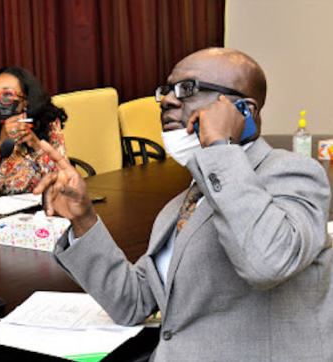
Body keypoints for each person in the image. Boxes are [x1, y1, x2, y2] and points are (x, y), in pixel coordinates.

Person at [35, 48, 333, 361]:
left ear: (243, 110)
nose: (169, 101)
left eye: (189, 90)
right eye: (166, 91)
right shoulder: (183, 202)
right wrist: (84, 218)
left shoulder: (294, 173)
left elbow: (267, 262)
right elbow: (132, 303)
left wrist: (219, 146)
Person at [0, 67, 67, 204]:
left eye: (7, 95)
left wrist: (37, 146)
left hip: (41, 211)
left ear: (25, 101)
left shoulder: (49, 125)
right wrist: (2, 144)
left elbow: (63, 178)